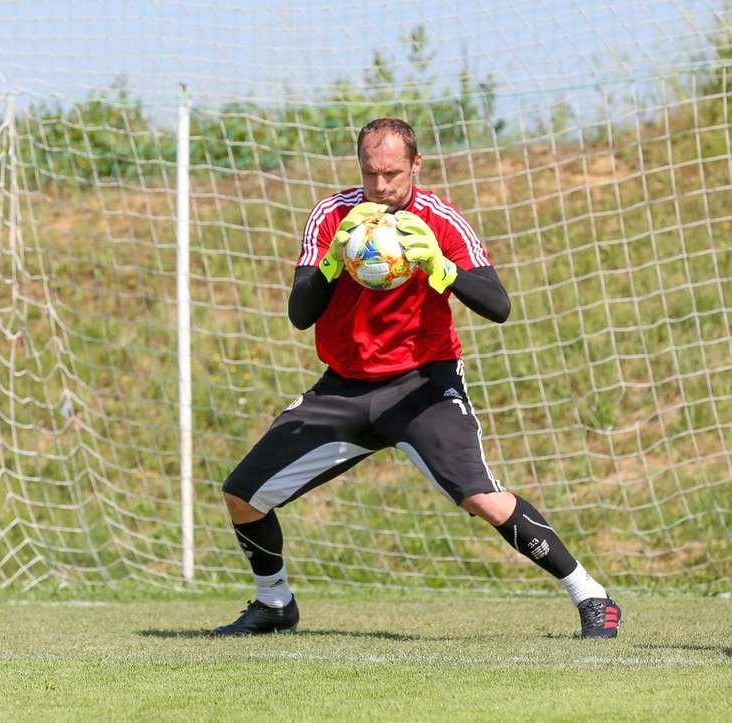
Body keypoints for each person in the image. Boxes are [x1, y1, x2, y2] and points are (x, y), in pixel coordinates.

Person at [210, 117, 621, 639]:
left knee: (483, 498)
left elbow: (498, 305)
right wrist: (335, 260)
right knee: (242, 494)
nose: (380, 187)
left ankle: (592, 596)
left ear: (416, 165)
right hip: (344, 388)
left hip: (422, 386)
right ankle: (274, 604)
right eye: (370, 172)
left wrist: (439, 266)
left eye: (392, 173)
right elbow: (300, 313)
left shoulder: (440, 218)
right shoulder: (333, 215)